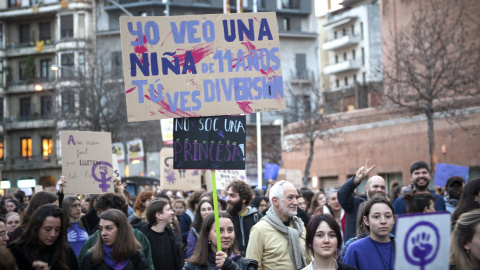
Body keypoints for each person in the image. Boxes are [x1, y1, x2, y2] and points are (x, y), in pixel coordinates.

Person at [77, 193, 154, 270]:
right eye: (99, 214)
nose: (103, 233)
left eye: (109, 228)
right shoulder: (92, 246)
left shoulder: (138, 251)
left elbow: (148, 265)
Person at [246, 180, 310, 270]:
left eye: (296, 197)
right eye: (290, 197)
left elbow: (309, 261)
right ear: (275, 201)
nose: (295, 202)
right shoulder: (259, 229)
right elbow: (252, 266)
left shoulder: (300, 227)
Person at [8, 204, 79, 270]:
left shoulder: (65, 251)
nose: (53, 234)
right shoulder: (17, 251)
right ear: (36, 228)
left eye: (57, 229)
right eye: (48, 229)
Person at [183, 212, 258, 270]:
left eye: (230, 230)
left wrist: (230, 267)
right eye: (220, 231)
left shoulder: (246, 265)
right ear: (208, 235)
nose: (226, 235)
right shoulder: (192, 266)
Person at [338, 160, 387, 242]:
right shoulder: (355, 204)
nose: (379, 190)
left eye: (382, 187)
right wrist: (356, 179)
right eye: (375, 186)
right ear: (367, 188)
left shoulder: (387, 208)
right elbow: (342, 194)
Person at [343, 197, 395, 270]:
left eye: (388, 216)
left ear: (393, 219)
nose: (383, 221)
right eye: (376, 217)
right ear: (366, 220)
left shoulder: (404, 248)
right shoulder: (355, 249)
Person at [137, 198, 184, 270]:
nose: (172, 212)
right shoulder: (143, 237)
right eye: (168, 210)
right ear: (159, 215)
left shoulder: (172, 235)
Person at [226, 180, 262, 254]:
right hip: (230, 263)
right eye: (228, 195)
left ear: (244, 199)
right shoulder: (225, 219)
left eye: (232, 196)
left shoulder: (258, 218)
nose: (228, 199)